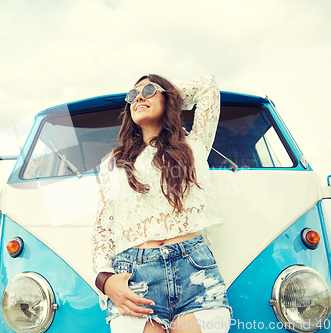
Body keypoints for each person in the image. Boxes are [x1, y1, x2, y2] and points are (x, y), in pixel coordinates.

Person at [91, 74, 232, 333]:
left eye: (147, 90)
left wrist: (166, 92)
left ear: (169, 98)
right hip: (134, 275)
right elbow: (103, 227)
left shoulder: (194, 144)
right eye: (132, 96)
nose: (139, 97)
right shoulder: (112, 162)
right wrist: (104, 280)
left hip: (194, 269)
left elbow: (208, 85)